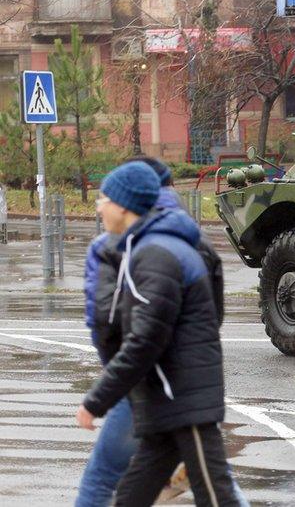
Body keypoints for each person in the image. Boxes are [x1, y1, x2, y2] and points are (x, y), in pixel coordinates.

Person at [76, 158, 246, 506]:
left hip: (184, 400)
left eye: (103, 198)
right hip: (167, 400)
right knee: (131, 496)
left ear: (123, 206)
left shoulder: (155, 254)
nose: (99, 206)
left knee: (217, 496)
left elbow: (144, 339)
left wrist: (96, 401)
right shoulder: (152, 246)